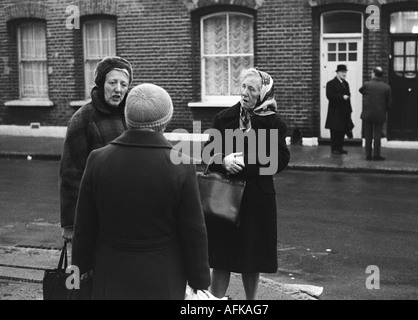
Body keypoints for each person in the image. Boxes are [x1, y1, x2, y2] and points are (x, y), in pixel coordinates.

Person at [71, 84, 211, 300]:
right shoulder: (182, 164)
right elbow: (193, 230)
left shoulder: (97, 159)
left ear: (127, 118)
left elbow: (84, 225)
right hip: (164, 272)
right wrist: (199, 279)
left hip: (111, 268)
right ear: (165, 120)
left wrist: (80, 267)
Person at [204, 68, 290, 300]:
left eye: (251, 89)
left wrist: (244, 163)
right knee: (221, 258)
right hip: (225, 196)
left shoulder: (274, 122)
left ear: (263, 93)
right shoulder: (223, 118)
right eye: (243, 87)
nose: (245, 93)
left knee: (253, 259)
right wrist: (223, 160)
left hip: (257, 199)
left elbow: (281, 160)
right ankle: (215, 302)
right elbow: (206, 153)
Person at [59, 56, 133, 242]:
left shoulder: (131, 116)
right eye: (112, 83)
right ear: (101, 84)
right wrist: (70, 223)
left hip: (127, 211)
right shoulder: (83, 118)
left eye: (124, 84)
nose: (118, 89)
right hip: (95, 213)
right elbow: (71, 173)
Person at [359, 67, 393, 161]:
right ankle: (376, 155)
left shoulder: (367, 85)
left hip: (367, 113)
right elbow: (389, 103)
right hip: (380, 114)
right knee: (377, 135)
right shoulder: (386, 87)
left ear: (374, 73)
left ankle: (368, 155)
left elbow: (361, 91)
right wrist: (383, 109)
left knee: (368, 135)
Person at [325, 64, 354, 155]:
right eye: (342, 72)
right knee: (335, 130)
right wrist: (342, 97)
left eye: (345, 72)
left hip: (344, 110)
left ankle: (340, 148)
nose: (344, 74)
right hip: (335, 111)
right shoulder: (331, 83)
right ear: (337, 73)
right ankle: (334, 149)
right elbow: (330, 96)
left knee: (342, 130)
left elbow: (348, 95)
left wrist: (349, 110)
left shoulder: (346, 83)